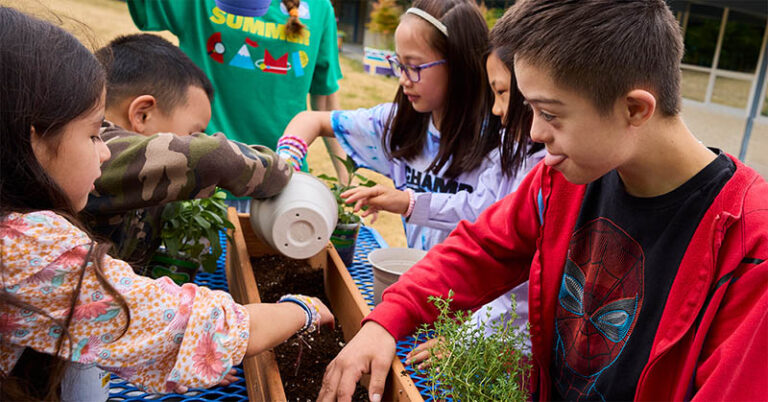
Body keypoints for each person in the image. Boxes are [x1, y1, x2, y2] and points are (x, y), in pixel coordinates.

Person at [317, 0, 768, 401]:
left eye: (550, 113)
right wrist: (386, 320)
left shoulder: (751, 246)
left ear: (635, 109)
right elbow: (482, 249)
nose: (533, 133)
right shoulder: (563, 177)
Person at [0, 7, 334, 400]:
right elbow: (196, 326)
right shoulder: (30, 253)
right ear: (34, 138)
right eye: (93, 135)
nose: (104, 152)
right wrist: (303, 309)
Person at [278, 0, 543, 251]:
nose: (403, 79)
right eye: (398, 64)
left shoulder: (506, 140)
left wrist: (407, 202)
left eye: (414, 67)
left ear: (459, 65)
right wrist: (285, 163)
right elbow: (311, 120)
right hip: (419, 282)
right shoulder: (399, 125)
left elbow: (484, 214)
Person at [83, 33, 292, 270]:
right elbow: (215, 158)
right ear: (142, 114)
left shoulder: (142, 173)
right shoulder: (95, 151)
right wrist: (285, 171)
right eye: (193, 134)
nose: (195, 140)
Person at [126, 0, 348, 175]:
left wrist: (345, 178)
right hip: (201, 172)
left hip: (278, 177)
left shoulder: (320, 8)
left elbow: (326, 101)